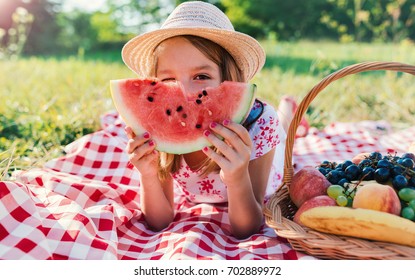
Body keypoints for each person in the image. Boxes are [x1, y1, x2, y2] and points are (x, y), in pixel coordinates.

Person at [121, 1, 298, 239]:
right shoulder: (157, 130)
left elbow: (246, 229)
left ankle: (289, 109)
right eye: (168, 80)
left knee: (284, 127)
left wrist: (237, 178)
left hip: (266, 152)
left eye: (201, 76)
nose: (185, 92)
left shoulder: (260, 124)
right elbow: (159, 222)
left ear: (228, 78)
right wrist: (148, 175)